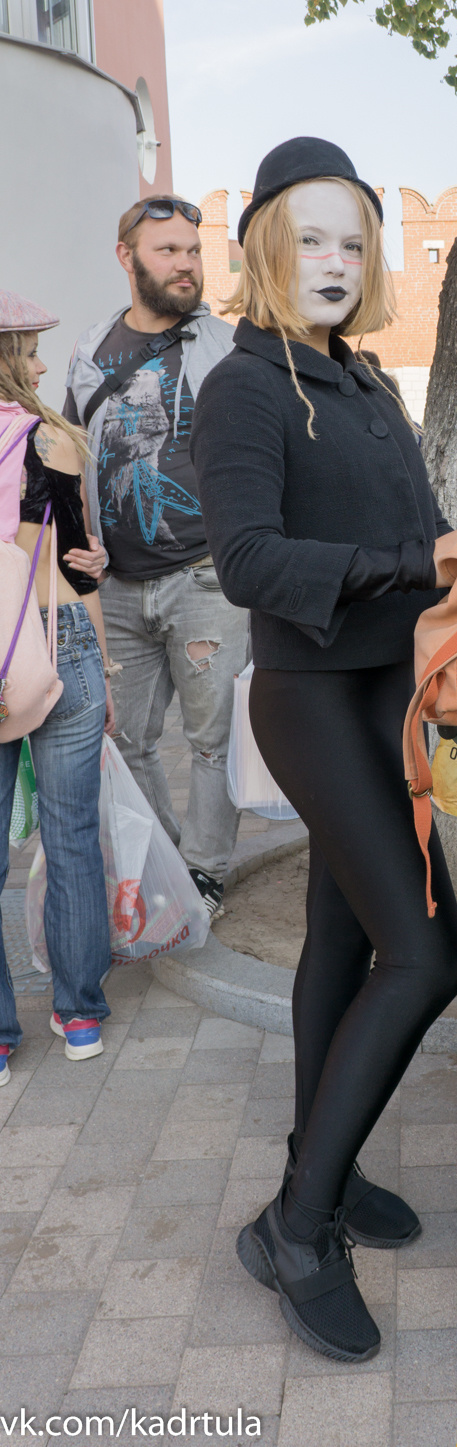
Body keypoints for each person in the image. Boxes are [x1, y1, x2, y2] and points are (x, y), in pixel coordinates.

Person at [190, 137, 457, 1362]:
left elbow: (425, 533)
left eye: (353, 240)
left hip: (385, 695)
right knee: (429, 954)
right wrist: (405, 565)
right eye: (310, 238)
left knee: (344, 943)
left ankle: (327, 1161)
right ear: (264, 245)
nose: (335, 260)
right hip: (312, 698)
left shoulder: (362, 382)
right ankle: (295, 1229)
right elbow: (246, 559)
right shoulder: (245, 386)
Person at [63, 195, 244, 920]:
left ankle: (205, 871)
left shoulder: (228, 346)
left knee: (213, 740)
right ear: (127, 257)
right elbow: (72, 455)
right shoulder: (89, 349)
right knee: (125, 736)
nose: (186, 265)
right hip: (114, 585)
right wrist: (76, 544)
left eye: (192, 251)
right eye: (168, 251)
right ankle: (167, 857)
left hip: (207, 578)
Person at [0, 292, 115, 1077]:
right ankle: (78, 1014)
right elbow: (79, 564)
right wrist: (102, 662)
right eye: (31, 350)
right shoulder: (52, 438)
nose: (42, 365)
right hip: (60, 638)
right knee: (71, 835)